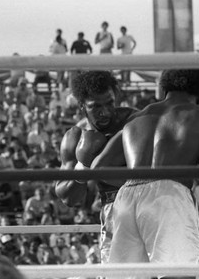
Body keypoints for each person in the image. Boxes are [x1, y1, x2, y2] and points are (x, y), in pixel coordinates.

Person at [91, 69, 199, 269]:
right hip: (168, 197)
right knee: (178, 273)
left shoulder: (137, 117)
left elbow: (98, 168)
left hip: (126, 198)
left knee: (129, 276)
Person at [55, 71, 137, 263]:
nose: (106, 112)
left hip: (149, 202)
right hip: (115, 210)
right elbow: (68, 197)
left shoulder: (133, 121)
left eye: (110, 103)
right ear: (82, 105)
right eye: (96, 107)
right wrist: (83, 168)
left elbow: (153, 174)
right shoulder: (75, 137)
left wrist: (98, 167)